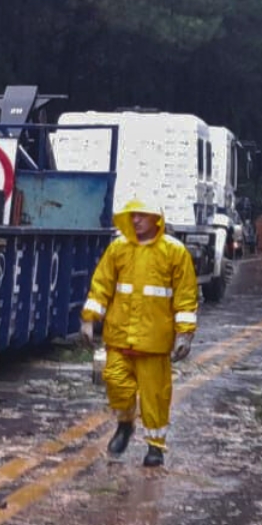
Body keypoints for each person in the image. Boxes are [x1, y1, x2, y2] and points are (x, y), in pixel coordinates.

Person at [81, 198, 199, 468]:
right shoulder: (118, 249)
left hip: (154, 340)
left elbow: (185, 296)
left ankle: (155, 446)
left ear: (156, 218)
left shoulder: (174, 252)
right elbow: (101, 285)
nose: (135, 220)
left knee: (155, 395)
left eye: (141, 216)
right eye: (132, 215)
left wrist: (185, 334)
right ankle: (125, 425)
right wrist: (89, 320)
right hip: (119, 335)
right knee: (114, 381)